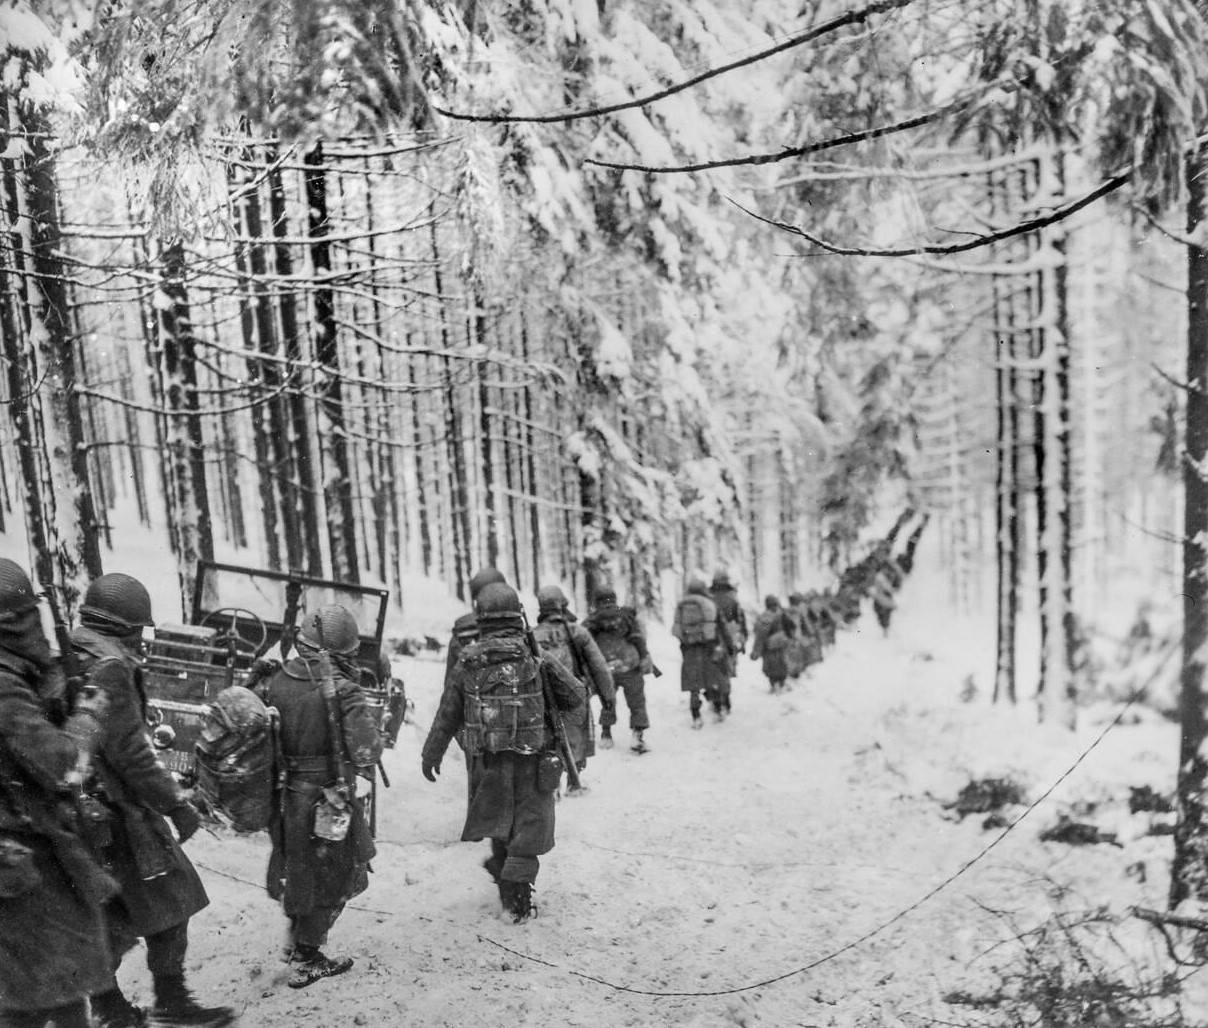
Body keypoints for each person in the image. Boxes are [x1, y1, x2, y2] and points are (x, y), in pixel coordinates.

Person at [70, 573, 233, 1028]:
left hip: (81, 807)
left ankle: (110, 1005)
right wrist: (176, 805)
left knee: (111, 912)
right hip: (119, 810)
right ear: (126, 625)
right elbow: (131, 754)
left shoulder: (71, 650)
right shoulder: (111, 667)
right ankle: (169, 1000)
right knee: (173, 897)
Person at [420, 583, 584, 923]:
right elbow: (575, 694)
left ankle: (504, 878)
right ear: (517, 615)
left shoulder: (469, 660)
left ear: (481, 616)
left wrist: (431, 753)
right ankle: (518, 897)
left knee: (499, 823)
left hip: (488, 760)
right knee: (529, 826)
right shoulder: (535, 657)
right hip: (534, 759)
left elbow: (447, 712)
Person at [0, 560, 118, 1028]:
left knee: (42, 991)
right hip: (28, 854)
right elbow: (60, 765)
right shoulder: (5, 687)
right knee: (46, 992)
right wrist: (86, 720)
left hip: (24, 850)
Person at [255, 604, 382, 988]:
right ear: (345, 650)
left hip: (284, 796)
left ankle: (298, 942)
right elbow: (366, 752)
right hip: (327, 798)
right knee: (336, 872)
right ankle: (307, 955)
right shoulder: (344, 690)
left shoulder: (275, 680)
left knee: (299, 867)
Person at [530, 585, 614, 791]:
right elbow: (599, 667)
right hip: (574, 695)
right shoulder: (577, 632)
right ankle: (573, 782)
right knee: (576, 736)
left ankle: (553, 783)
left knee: (549, 739)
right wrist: (608, 696)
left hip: (543, 698)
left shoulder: (532, 636)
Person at [583, 586, 653, 754]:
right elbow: (638, 638)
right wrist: (644, 656)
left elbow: (584, 644)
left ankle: (606, 734)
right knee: (637, 702)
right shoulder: (627, 615)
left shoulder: (592, 620)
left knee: (607, 700)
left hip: (606, 667)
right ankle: (638, 735)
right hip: (629, 665)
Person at [671, 576, 727, 728]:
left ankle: (696, 716)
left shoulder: (682, 604)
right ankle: (717, 709)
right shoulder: (709, 604)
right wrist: (726, 645)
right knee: (711, 678)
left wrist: (686, 642)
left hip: (689, 648)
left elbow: (676, 629)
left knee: (693, 683)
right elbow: (720, 627)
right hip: (708, 647)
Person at [708, 571, 747, 714]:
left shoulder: (708, 596)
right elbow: (740, 619)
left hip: (710, 638)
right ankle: (726, 698)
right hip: (729, 637)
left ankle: (715, 699)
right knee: (727, 669)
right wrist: (742, 638)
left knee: (712, 669)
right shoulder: (732, 598)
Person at [750, 595, 794, 694]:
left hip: (768, 647)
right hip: (781, 644)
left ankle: (774, 685)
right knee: (782, 665)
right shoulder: (782, 614)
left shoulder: (764, 616)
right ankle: (781, 684)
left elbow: (760, 635)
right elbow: (790, 627)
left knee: (770, 667)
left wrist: (756, 650)